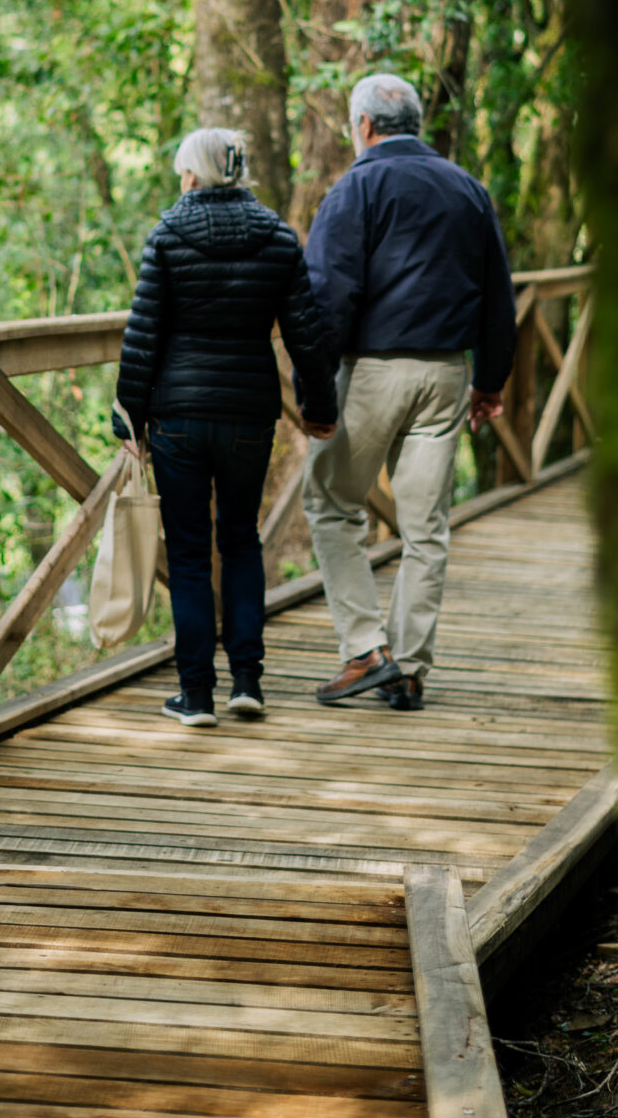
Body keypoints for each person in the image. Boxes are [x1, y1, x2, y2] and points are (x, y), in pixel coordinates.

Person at [301, 73, 516, 711]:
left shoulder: (357, 187)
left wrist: (315, 395)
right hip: (446, 373)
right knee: (426, 528)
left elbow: (327, 298)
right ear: (415, 124)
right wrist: (490, 380)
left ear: (364, 126)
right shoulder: (467, 189)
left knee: (332, 503)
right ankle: (411, 667)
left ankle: (367, 650)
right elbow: (499, 296)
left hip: (374, 371)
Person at [113, 128, 337, 728]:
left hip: (179, 419)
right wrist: (321, 407)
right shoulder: (277, 238)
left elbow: (143, 334)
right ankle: (247, 683)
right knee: (240, 541)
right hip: (247, 414)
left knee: (188, 555)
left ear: (193, 173)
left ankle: (196, 696)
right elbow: (305, 334)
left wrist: (128, 414)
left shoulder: (167, 234)